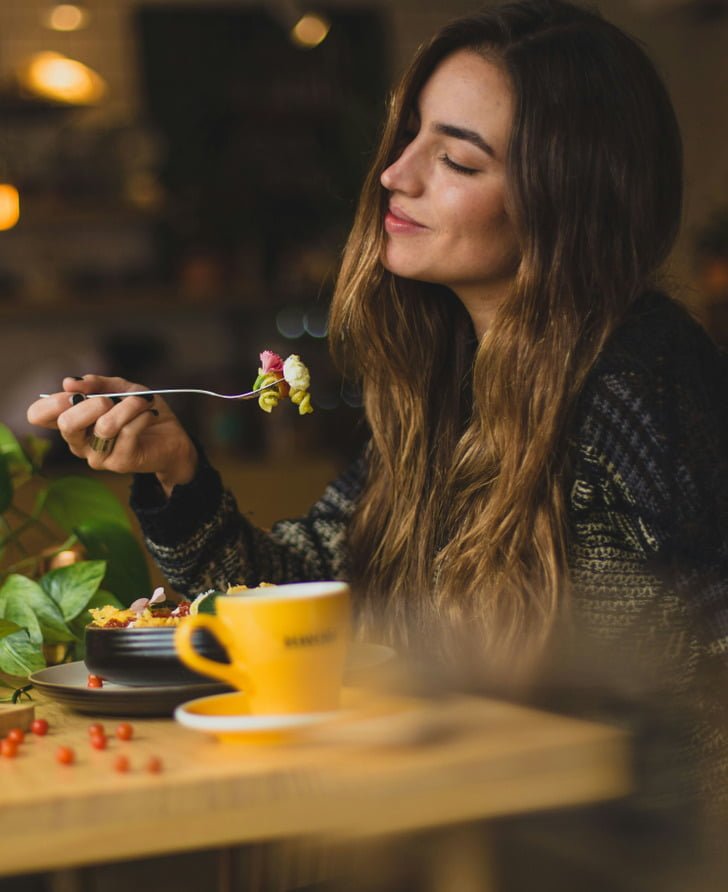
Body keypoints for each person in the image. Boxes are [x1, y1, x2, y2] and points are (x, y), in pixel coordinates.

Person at [28, 0, 727, 790]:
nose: (396, 173)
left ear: (569, 201)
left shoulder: (636, 390)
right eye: (411, 135)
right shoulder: (451, 378)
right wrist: (176, 475)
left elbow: (665, 724)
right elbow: (312, 598)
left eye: (459, 162)